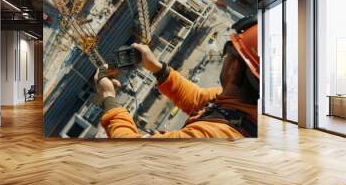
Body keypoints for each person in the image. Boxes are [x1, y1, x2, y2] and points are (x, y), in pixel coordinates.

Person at [94, 21, 259, 138]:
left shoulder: (211, 137)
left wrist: (108, 98)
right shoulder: (245, 106)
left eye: (228, 52)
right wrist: (158, 69)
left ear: (234, 68)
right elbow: (198, 100)